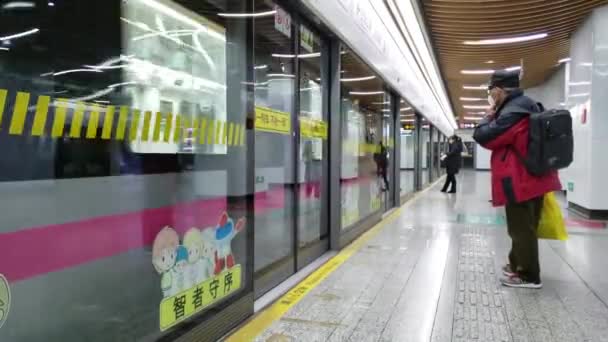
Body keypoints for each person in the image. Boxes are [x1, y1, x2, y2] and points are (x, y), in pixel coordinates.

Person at [473, 70, 561, 289]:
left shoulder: (513, 112)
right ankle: (516, 264)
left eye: (491, 91)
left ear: (500, 90)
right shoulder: (527, 105)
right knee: (525, 226)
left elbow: (484, 136)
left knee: (520, 228)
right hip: (534, 177)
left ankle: (529, 276)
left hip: (521, 180)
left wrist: (488, 115)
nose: (490, 95)